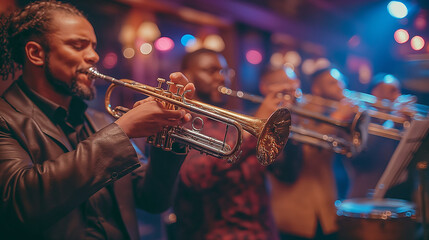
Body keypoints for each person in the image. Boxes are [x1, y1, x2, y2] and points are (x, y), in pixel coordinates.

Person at [0, 1, 195, 239]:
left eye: (93, 47)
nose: (93, 56)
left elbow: (153, 200)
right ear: (36, 53)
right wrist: (122, 131)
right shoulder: (5, 119)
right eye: (78, 46)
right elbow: (19, 204)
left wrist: (169, 135)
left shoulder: (100, 121)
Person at [172, 49, 280, 240]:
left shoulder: (235, 120)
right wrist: (251, 131)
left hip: (263, 232)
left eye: (224, 72)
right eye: (211, 71)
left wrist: (282, 130)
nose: (220, 78)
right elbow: (195, 178)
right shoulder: (182, 120)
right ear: (187, 75)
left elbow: (284, 173)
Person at [267, 67, 357, 240]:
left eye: (295, 82)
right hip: (293, 215)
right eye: (332, 83)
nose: (340, 87)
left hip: (328, 210)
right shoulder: (287, 113)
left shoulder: (327, 110)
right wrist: (338, 118)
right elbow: (305, 152)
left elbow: (352, 149)